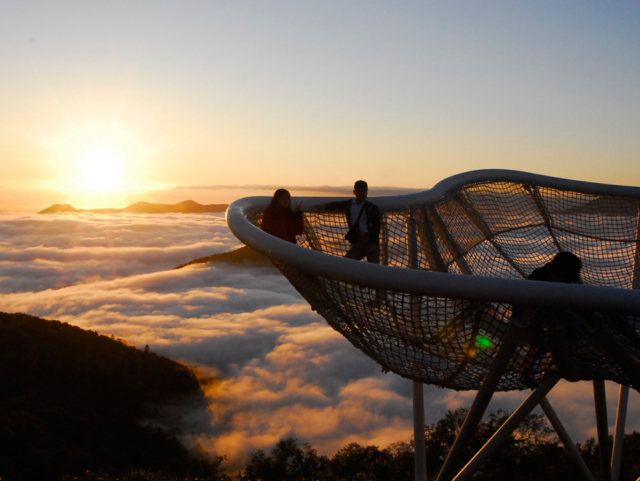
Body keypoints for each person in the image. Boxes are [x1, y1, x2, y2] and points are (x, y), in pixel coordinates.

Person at [321, 180, 381, 263]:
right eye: (360, 191)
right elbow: (337, 205)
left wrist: (373, 243)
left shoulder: (372, 208)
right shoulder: (350, 205)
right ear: (354, 192)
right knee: (346, 264)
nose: (362, 194)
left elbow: (376, 226)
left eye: (364, 191)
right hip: (358, 242)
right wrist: (325, 206)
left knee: (375, 270)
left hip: (369, 241)